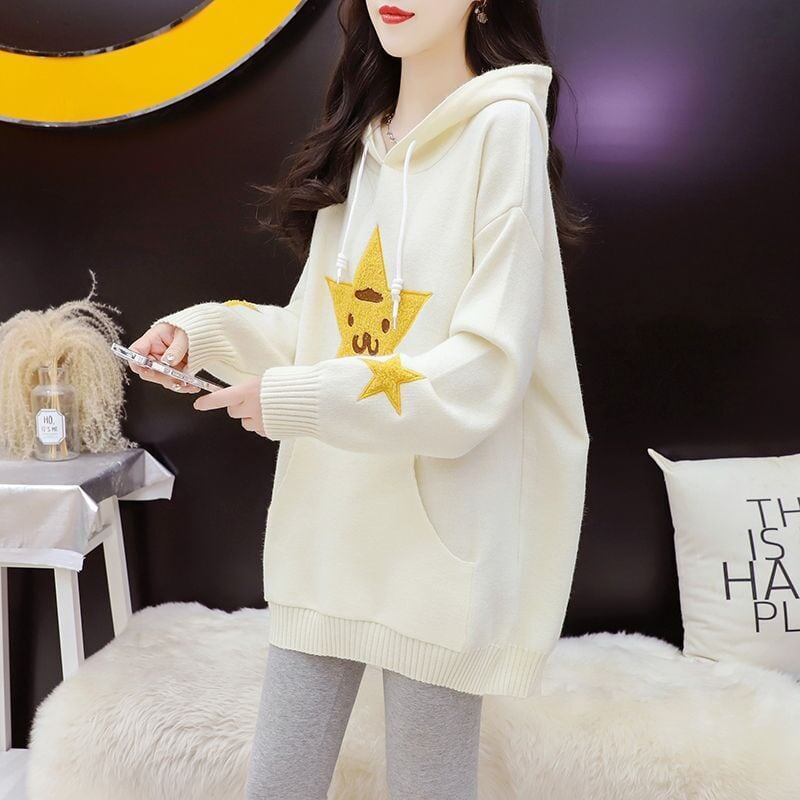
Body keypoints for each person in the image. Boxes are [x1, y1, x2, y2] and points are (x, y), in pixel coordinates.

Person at [129, 1, 591, 797]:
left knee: (428, 787)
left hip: (438, 550)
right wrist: (199, 335)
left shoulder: (503, 128)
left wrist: (303, 398)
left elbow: (485, 370)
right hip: (326, 531)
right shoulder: (364, 142)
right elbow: (322, 337)